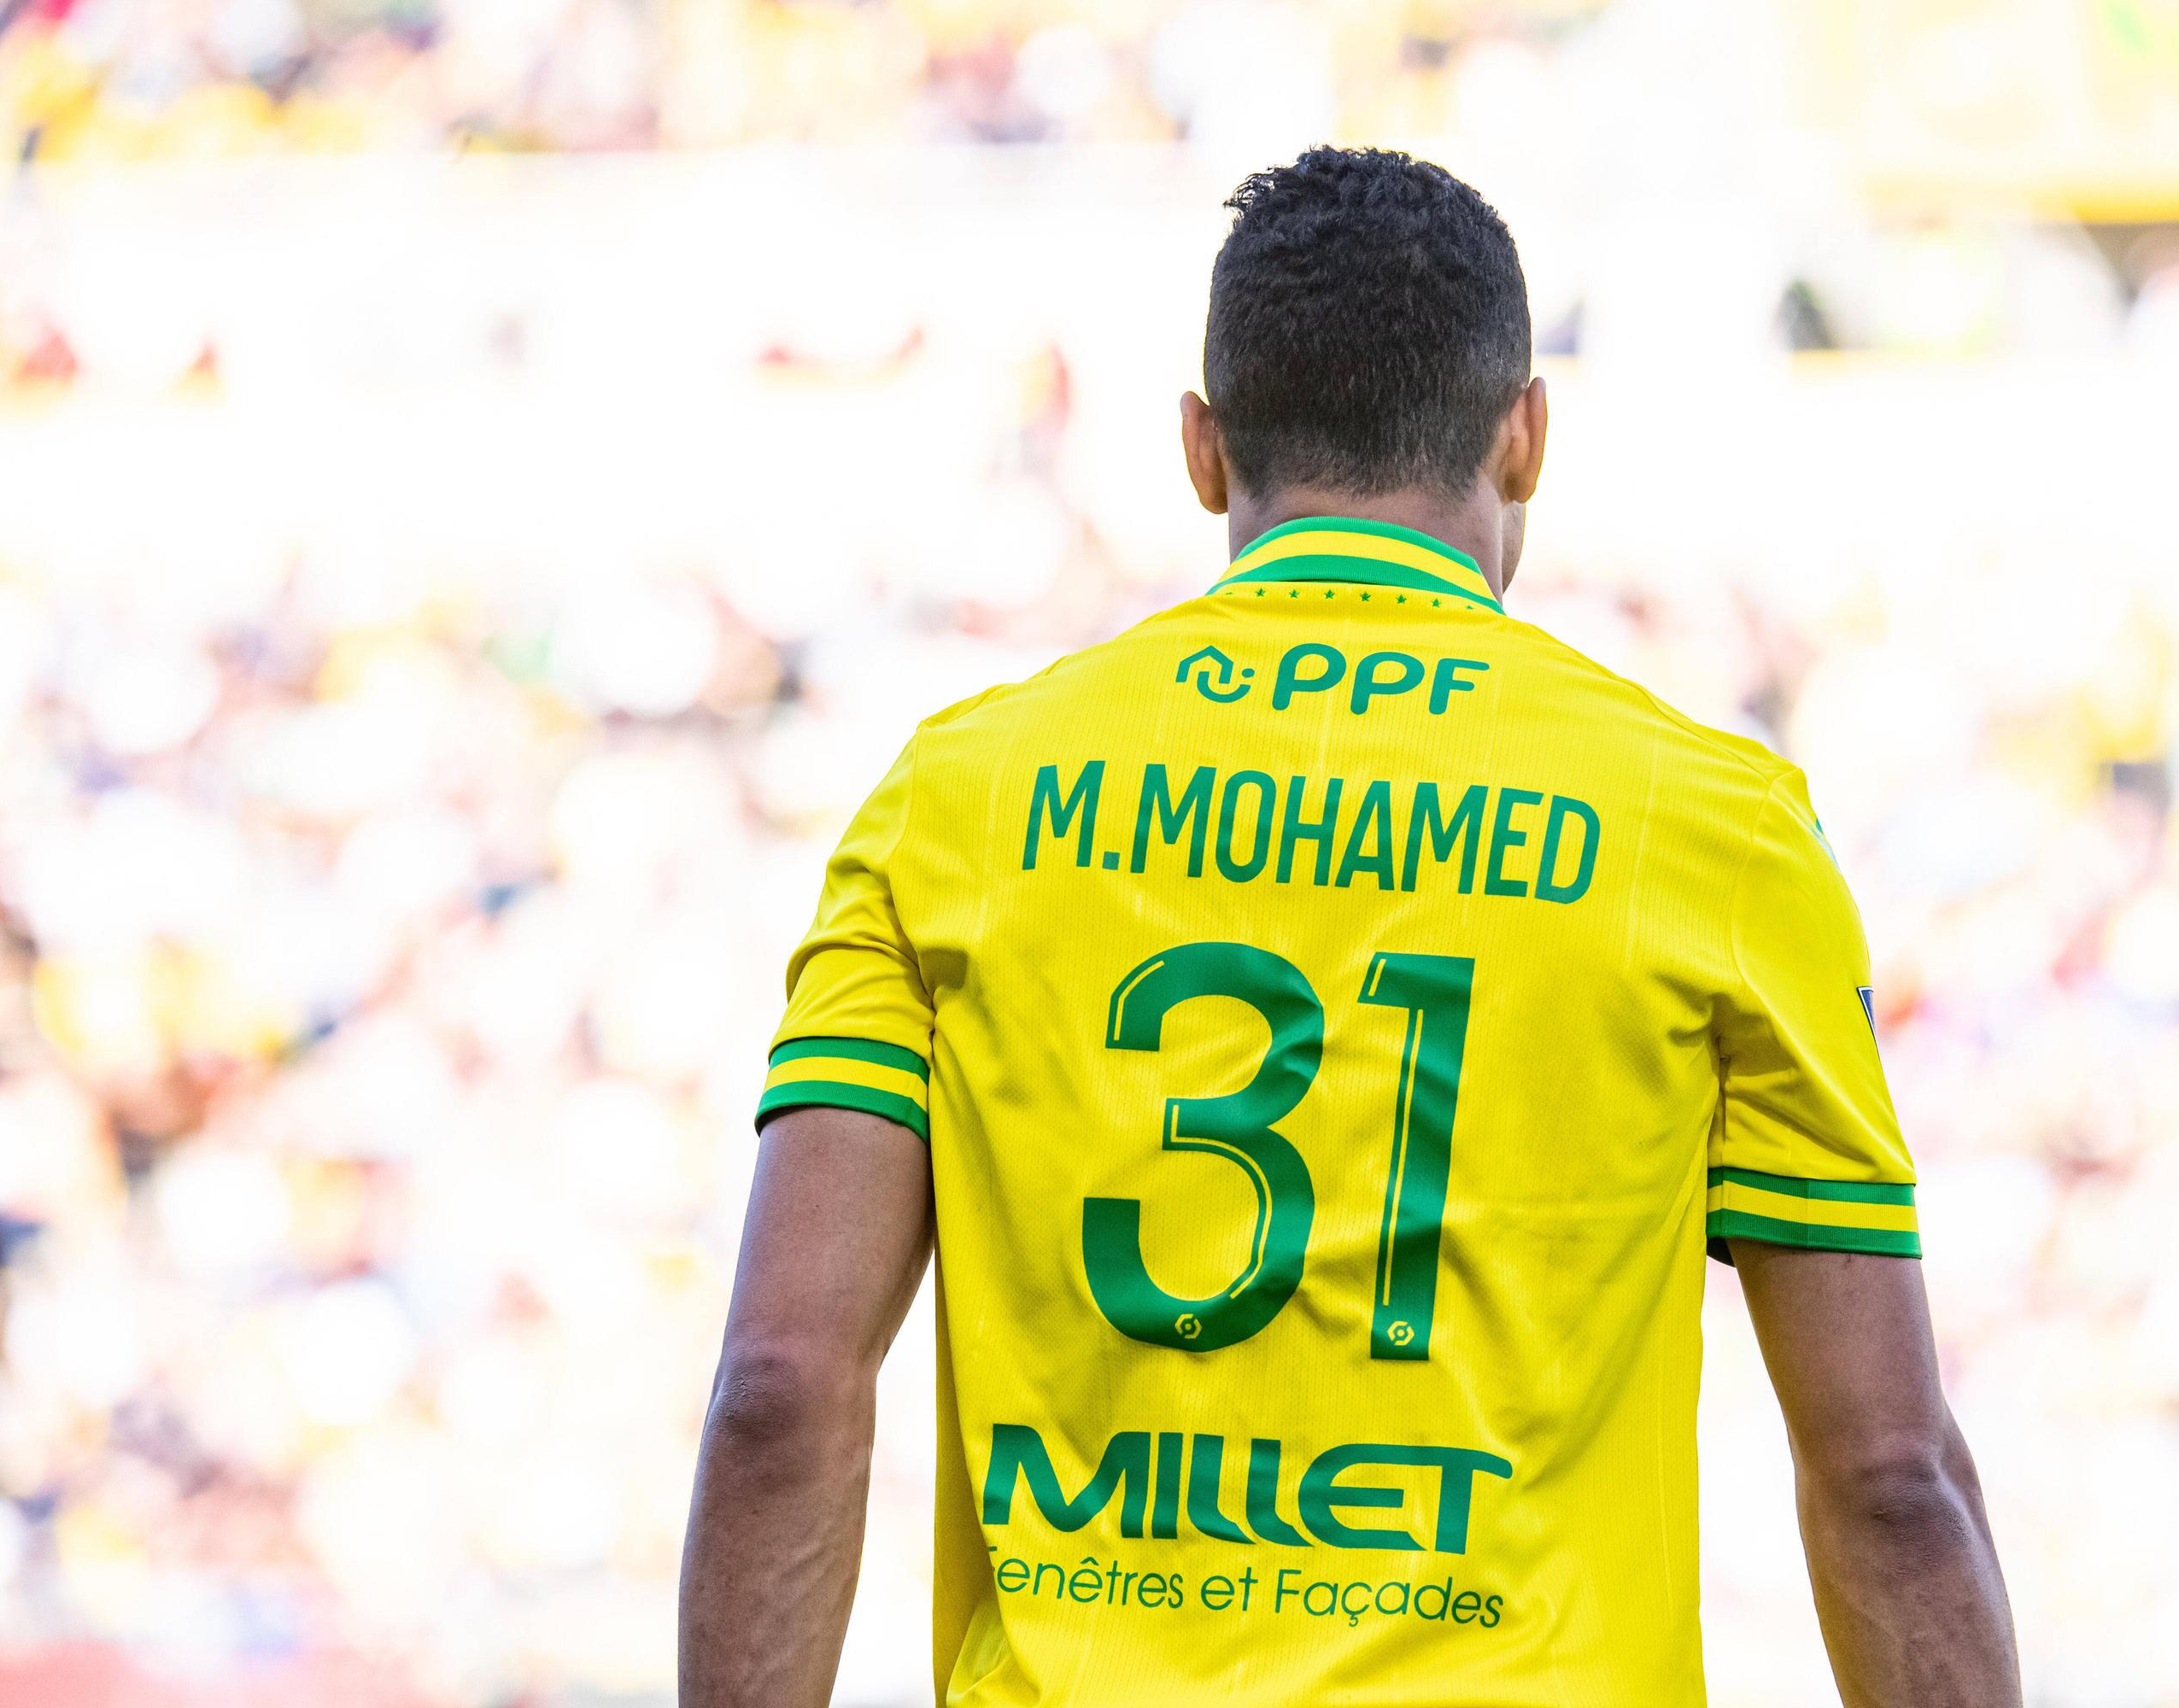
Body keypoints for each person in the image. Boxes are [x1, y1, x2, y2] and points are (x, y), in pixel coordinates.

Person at [679, 146, 2019, 1707]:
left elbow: (781, 1391)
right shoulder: (1714, 829)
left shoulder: (956, 800)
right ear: (1526, 436)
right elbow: (1887, 1476)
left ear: (1202, 447)